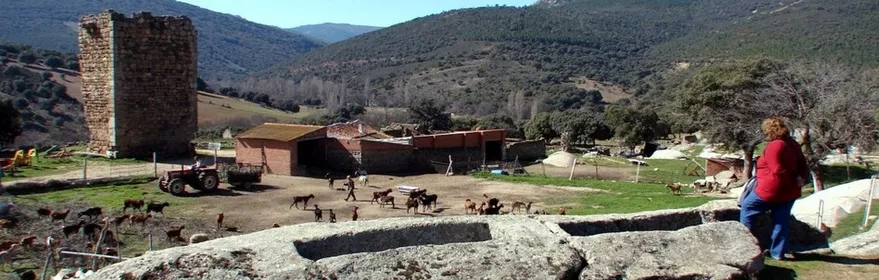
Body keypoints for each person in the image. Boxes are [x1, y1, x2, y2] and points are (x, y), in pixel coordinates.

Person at [739, 117, 809, 261]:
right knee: (781, 221)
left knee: (747, 208)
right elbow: (802, 163)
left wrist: (791, 178)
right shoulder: (793, 144)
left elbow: (777, 169)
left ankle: (745, 247)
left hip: (771, 189)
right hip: (790, 191)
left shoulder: (775, 145)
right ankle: (778, 253)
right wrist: (800, 178)